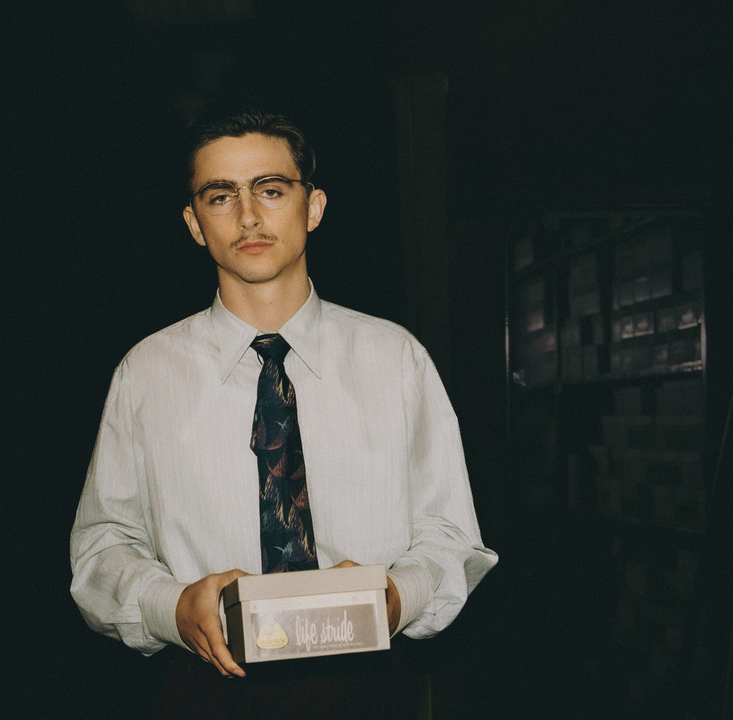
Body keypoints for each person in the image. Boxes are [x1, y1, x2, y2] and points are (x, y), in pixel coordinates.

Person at [69, 108, 497, 714]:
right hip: (209, 687)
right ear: (194, 224)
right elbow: (103, 544)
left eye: (270, 190)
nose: (248, 216)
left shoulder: (395, 357)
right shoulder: (146, 372)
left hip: (369, 683)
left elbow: (450, 534)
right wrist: (174, 606)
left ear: (313, 207)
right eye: (221, 196)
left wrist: (397, 596)